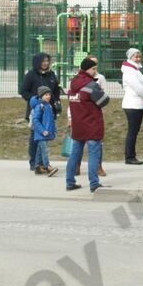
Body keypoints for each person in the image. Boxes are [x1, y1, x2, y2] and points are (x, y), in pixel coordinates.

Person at [66, 57, 109, 193]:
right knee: (93, 154)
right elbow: (103, 101)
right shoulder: (91, 85)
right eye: (93, 69)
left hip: (78, 124)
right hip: (92, 125)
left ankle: (70, 181)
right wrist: (102, 93)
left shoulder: (73, 84)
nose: (95, 72)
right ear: (86, 69)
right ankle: (94, 183)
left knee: (74, 154)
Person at [20, 53, 62, 171]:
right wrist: (37, 100)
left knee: (45, 138)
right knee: (36, 137)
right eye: (43, 61)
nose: (45, 63)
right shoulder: (31, 75)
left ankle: (41, 163)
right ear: (37, 62)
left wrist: (57, 103)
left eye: (47, 61)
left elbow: (56, 91)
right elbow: (24, 92)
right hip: (36, 111)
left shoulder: (51, 75)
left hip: (49, 112)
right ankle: (34, 162)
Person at [120, 48, 143, 165]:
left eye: (139, 57)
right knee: (132, 131)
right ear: (130, 57)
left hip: (137, 104)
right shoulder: (129, 71)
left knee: (134, 131)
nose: (138, 59)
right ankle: (129, 156)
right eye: (135, 57)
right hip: (133, 104)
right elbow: (138, 87)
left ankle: (131, 155)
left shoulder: (134, 69)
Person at [29, 86, 58, 176]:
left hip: (46, 132)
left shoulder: (48, 106)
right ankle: (47, 166)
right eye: (46, 95)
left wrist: (53, 130)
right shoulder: (39, 106)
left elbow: (50, 120)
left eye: (49, 94)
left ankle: (37, 166)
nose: (48, 96)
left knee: (39, 150)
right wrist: (43, 130)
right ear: (41, 96)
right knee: (44, 149)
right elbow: (35, 120)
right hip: (41, 133)